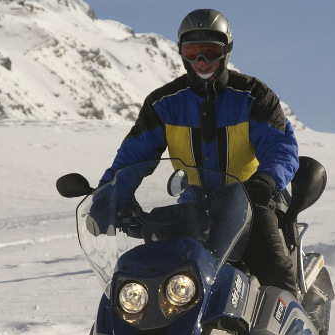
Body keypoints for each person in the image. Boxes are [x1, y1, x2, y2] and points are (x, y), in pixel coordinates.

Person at [96, 9, 300, 295]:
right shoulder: (164, 103)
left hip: (250, 202)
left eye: (210, 52)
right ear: (181, 53)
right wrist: (109, 196)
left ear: (226, 51)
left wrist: (266, 181)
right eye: (192, 52)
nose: (201, 61)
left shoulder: (253, 96)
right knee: (159, 275)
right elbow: (134, 156)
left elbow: (281, 147)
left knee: (274, 269)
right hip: (194, 206)